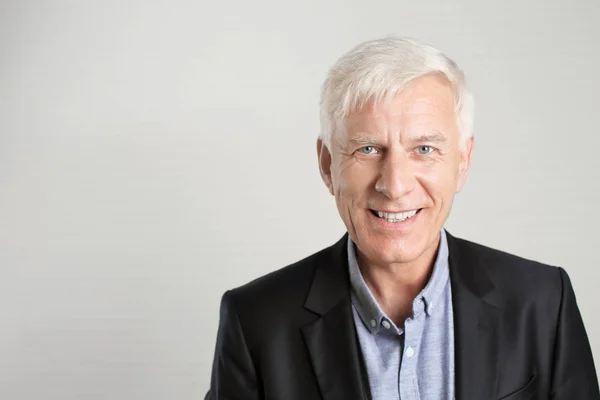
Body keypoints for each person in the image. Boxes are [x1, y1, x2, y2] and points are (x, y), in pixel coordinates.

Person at [205, 37, 599, 399]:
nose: (394, 185)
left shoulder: (544, 304)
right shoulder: (256, 321)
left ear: (462, 162)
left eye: (424, 148)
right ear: (327, 165)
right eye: (368, 149)